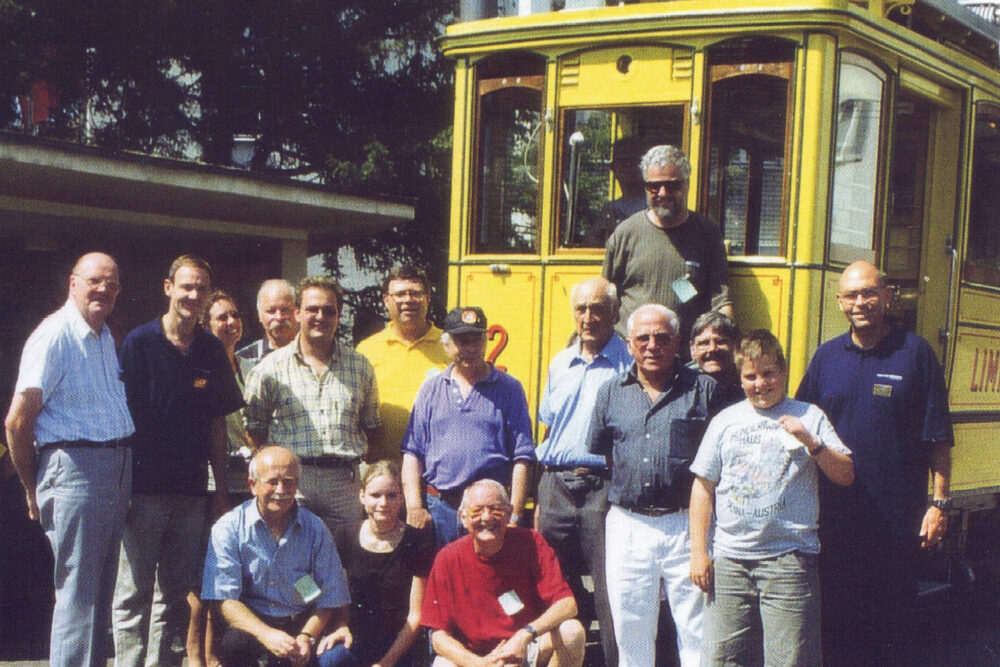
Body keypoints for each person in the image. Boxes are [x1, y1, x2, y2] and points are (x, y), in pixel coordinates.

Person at [795, 260, 953, 666]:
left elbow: (936, 435)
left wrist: (939, 503)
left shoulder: (915, 353)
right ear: (839, 302)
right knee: (834, 626)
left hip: (895, 523)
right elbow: (801, 431)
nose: (860, 302)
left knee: (891, 631)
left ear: (888, 296)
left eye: (869, 293)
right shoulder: (826, 357)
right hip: (834, 519)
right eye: (852, 295)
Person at [689, 330, 854, 666]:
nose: (760, 383)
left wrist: (811, 442)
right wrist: (698, 552)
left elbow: (846, 474)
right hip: (730, 561)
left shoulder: (809, 416)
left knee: (790, 659)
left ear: (783, 373)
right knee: (722, 659)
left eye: (768, 373)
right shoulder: (725, 421)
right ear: (740, 378)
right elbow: (702, 487)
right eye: (750, 376)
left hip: (789, 561)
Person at [4, 252, 135, 667]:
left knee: (100, 592)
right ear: (73, 283)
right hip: (76, 469)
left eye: (112, 285)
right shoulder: (55, 335)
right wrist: (32, 485)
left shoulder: (104, 338)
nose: (104, 290)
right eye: (95, 281)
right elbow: (17, 422)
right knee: (78, 593)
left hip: (114, 467)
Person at [113, 254, 245, 667]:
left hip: (190, 491)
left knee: (174, 595)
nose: (193, 295)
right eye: (186, 286)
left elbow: (217, 425)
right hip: (142, 488)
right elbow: (120, 415)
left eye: (201, 288)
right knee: (134, 594)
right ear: (168, 288)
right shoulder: (139, 342)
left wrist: (220, 491)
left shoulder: (209, 348)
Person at [586, 303, 723, 667]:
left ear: (677, 343)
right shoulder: (610, 392)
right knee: (630, 630)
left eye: (661, 338)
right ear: (629, 344)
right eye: (642, 338)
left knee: (697, 631)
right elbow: (605, 453)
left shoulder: (705, 390)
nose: (651, 345)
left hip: (686, 525)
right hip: (628, 524)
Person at [535, 277, 630, 667]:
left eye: (597, 308)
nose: (588, 317)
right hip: (555, 483)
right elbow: (548, 426)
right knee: (556, 587)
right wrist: (540, 495)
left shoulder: (629, 363)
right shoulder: (561, 362)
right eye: (581, 309)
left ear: (614, 313)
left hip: (601, 485)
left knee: (609, 590)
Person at [244, 275, 380, 533]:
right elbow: (254, 428)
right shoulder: (269, 369)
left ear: (339, 315)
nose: (320, 316)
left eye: (328, 311)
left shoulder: (360, 367)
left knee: (343, 562)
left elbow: (371, 427)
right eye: (311, 309)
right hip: (292, 482)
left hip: (343, 483)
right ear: (297, 313)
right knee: (290, 558)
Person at [202, 446, 351, 667]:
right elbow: (225, 600)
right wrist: (266, 634)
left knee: (337, 657)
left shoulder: (315, 528)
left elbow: (329, 595)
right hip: (253, 624)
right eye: (272, 481)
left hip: (303, 621)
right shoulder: (229, 528)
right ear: (252, 485)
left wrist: (307, 637)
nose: (281, 490)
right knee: (235, 646)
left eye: (289, 482)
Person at [401, 306, 535, 547]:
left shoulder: (510, 388)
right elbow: (413, 452)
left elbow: (522, 456)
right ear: (446, 345)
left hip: (489, 513)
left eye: (477, 340)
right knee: (440, 581)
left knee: (491, 583)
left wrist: (514, 514)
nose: (471, 349)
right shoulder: (430, 389)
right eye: (462, 341)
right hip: (440, 508)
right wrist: (414, 507)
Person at [421, 479, 586, 667]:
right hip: (474, 656)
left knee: (572, 632)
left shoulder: (531, 542)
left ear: (509, 513)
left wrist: (524, 635)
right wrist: (479, 664)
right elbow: (438, 636)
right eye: (476, 511)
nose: (486, 517)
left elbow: (567, 604)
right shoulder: (447, 558)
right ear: (463, 517)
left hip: (524, 647)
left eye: (496, 510)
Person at [602, 144, 732, 347]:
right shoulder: (625, 234)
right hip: (631, 355)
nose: (662, 193)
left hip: (684, 357)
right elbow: (606, 298)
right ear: (646, 186)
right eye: (654, 186)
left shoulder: (707, 234)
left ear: (686, 185)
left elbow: (721, 304)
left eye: (672, 186)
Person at [187, 290, 255, 667]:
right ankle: (198, 656)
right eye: (220, 318)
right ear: (205, 325)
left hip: (247, 479)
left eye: (234, 316)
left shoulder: (249, 366)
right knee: (205, 572)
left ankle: (219, 654)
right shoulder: (201, 367)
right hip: (214, 478)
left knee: (232, 569)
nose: (230, 323)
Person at [316, 460, 435, 667]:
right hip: (356, 635)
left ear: (402, 498)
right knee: (327, 661)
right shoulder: (345, 534)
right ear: (362, 496)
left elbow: (416, 615)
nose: (383, 503)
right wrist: (342, 624)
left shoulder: (417, 541)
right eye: (375, 495)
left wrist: (385, 663)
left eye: (391, 495)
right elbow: (339, 591)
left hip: (401, 641)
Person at [356, 265, 449, 465]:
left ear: (428, 298)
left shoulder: (449, 346)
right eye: (400, 294)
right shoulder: (366, 350)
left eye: (415, 293)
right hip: (382, 470)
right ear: (386, 300)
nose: (408, 300)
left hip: (435, 468)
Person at [236, 279, 299, 378]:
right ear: (259, 315)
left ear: (297, 312)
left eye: (285, 310)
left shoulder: (313, 355)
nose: (279, 317)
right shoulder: (244, 359)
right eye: (272, 311)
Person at [687, 311, 743, 407]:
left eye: (720, 341)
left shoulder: (750, 382)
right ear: (692, 350)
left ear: (735, 346)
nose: (712, 348)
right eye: (704, 343)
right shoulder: (680, 387)